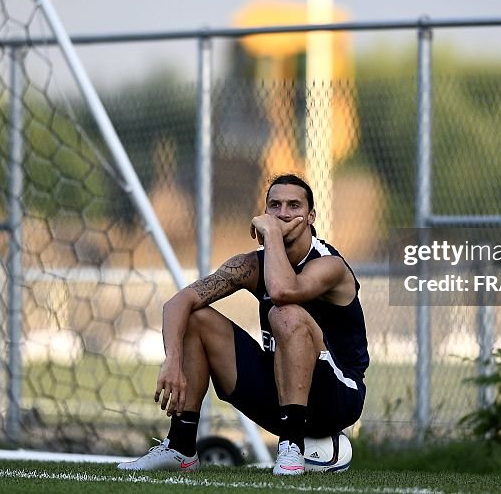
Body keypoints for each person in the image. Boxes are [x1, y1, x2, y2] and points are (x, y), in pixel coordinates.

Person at [118, 173, 369, 476]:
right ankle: (181, 447)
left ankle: (291, 446)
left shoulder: (329, 265)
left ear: (311, 216)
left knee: (284, 313)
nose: (283, 213)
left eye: (293, 205)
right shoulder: (251, 265)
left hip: (337, 396)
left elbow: (282, 292)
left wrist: (272, 234)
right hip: (280, 389)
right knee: (195, 316)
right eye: (274, 206)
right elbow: (177, 303)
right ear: (264, 212)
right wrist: (172, 361)